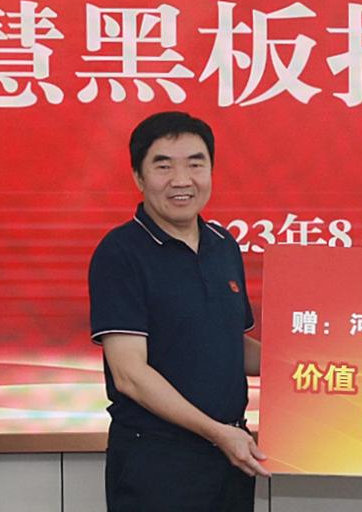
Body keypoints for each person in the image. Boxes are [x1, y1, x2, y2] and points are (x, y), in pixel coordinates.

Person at [88, 111, 267, 512]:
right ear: (138, 177)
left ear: (211, 171)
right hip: (157, 461)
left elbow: (231, 347)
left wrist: (308, 365)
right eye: (163, 166)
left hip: (230, 456)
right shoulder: (121, 253)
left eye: (195, 164)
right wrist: (216, 433)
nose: (182, 180)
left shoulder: (223, 245)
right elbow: (130, 375)